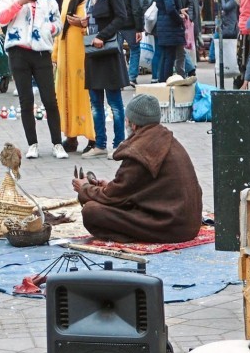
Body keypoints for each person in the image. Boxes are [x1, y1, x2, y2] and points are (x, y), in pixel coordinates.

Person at [72, 93, 203, 243]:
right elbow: (141, 188)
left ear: (133, 124)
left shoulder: (140, 150)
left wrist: (85, 188)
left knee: (91, 211)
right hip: (189, 225)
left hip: (172, 227)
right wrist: (109, 186)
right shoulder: (168, 140)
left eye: (127, 120)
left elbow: (112, 197)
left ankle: (130, 238)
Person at [0, 0, 68, 159]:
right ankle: (32, 144)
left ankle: (57, 143)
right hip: (18, 52)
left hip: (42, 52)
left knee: (50, 100)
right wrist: (20, 2)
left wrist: (48, 29)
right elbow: (0, 19)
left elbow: (58, 24)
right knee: (26, 101)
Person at [82, 0, 129, 159]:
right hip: (93, 51)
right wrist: (83, 22)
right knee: (95, 102)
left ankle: (119, 144)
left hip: (107, 51)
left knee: (114, 102)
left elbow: (121, 17)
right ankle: (100, 144)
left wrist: (103, 35)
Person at [52, 0, 95, 154]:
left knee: (85, 95)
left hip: (84, 55)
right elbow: (60, 26)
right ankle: (71, 137)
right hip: (65, 55)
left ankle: (93, 138)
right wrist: (55, 54)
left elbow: (99, 25)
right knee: (66, 94)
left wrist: (83, 24)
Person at [155, 0, 187, 82]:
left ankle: (162, 81)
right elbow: (170, 8)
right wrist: (179, 18)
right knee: (169, 57)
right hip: (170, 26)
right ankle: (165, 81)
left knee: (165, 55)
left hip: (164, 25)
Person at [112, 0, 143, 87]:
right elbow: (136, 8)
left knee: (117, 51)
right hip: (130, 26)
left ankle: (119, 79)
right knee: (135, 50)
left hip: (116, 25)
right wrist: (139, 28)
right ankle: (132, 77)